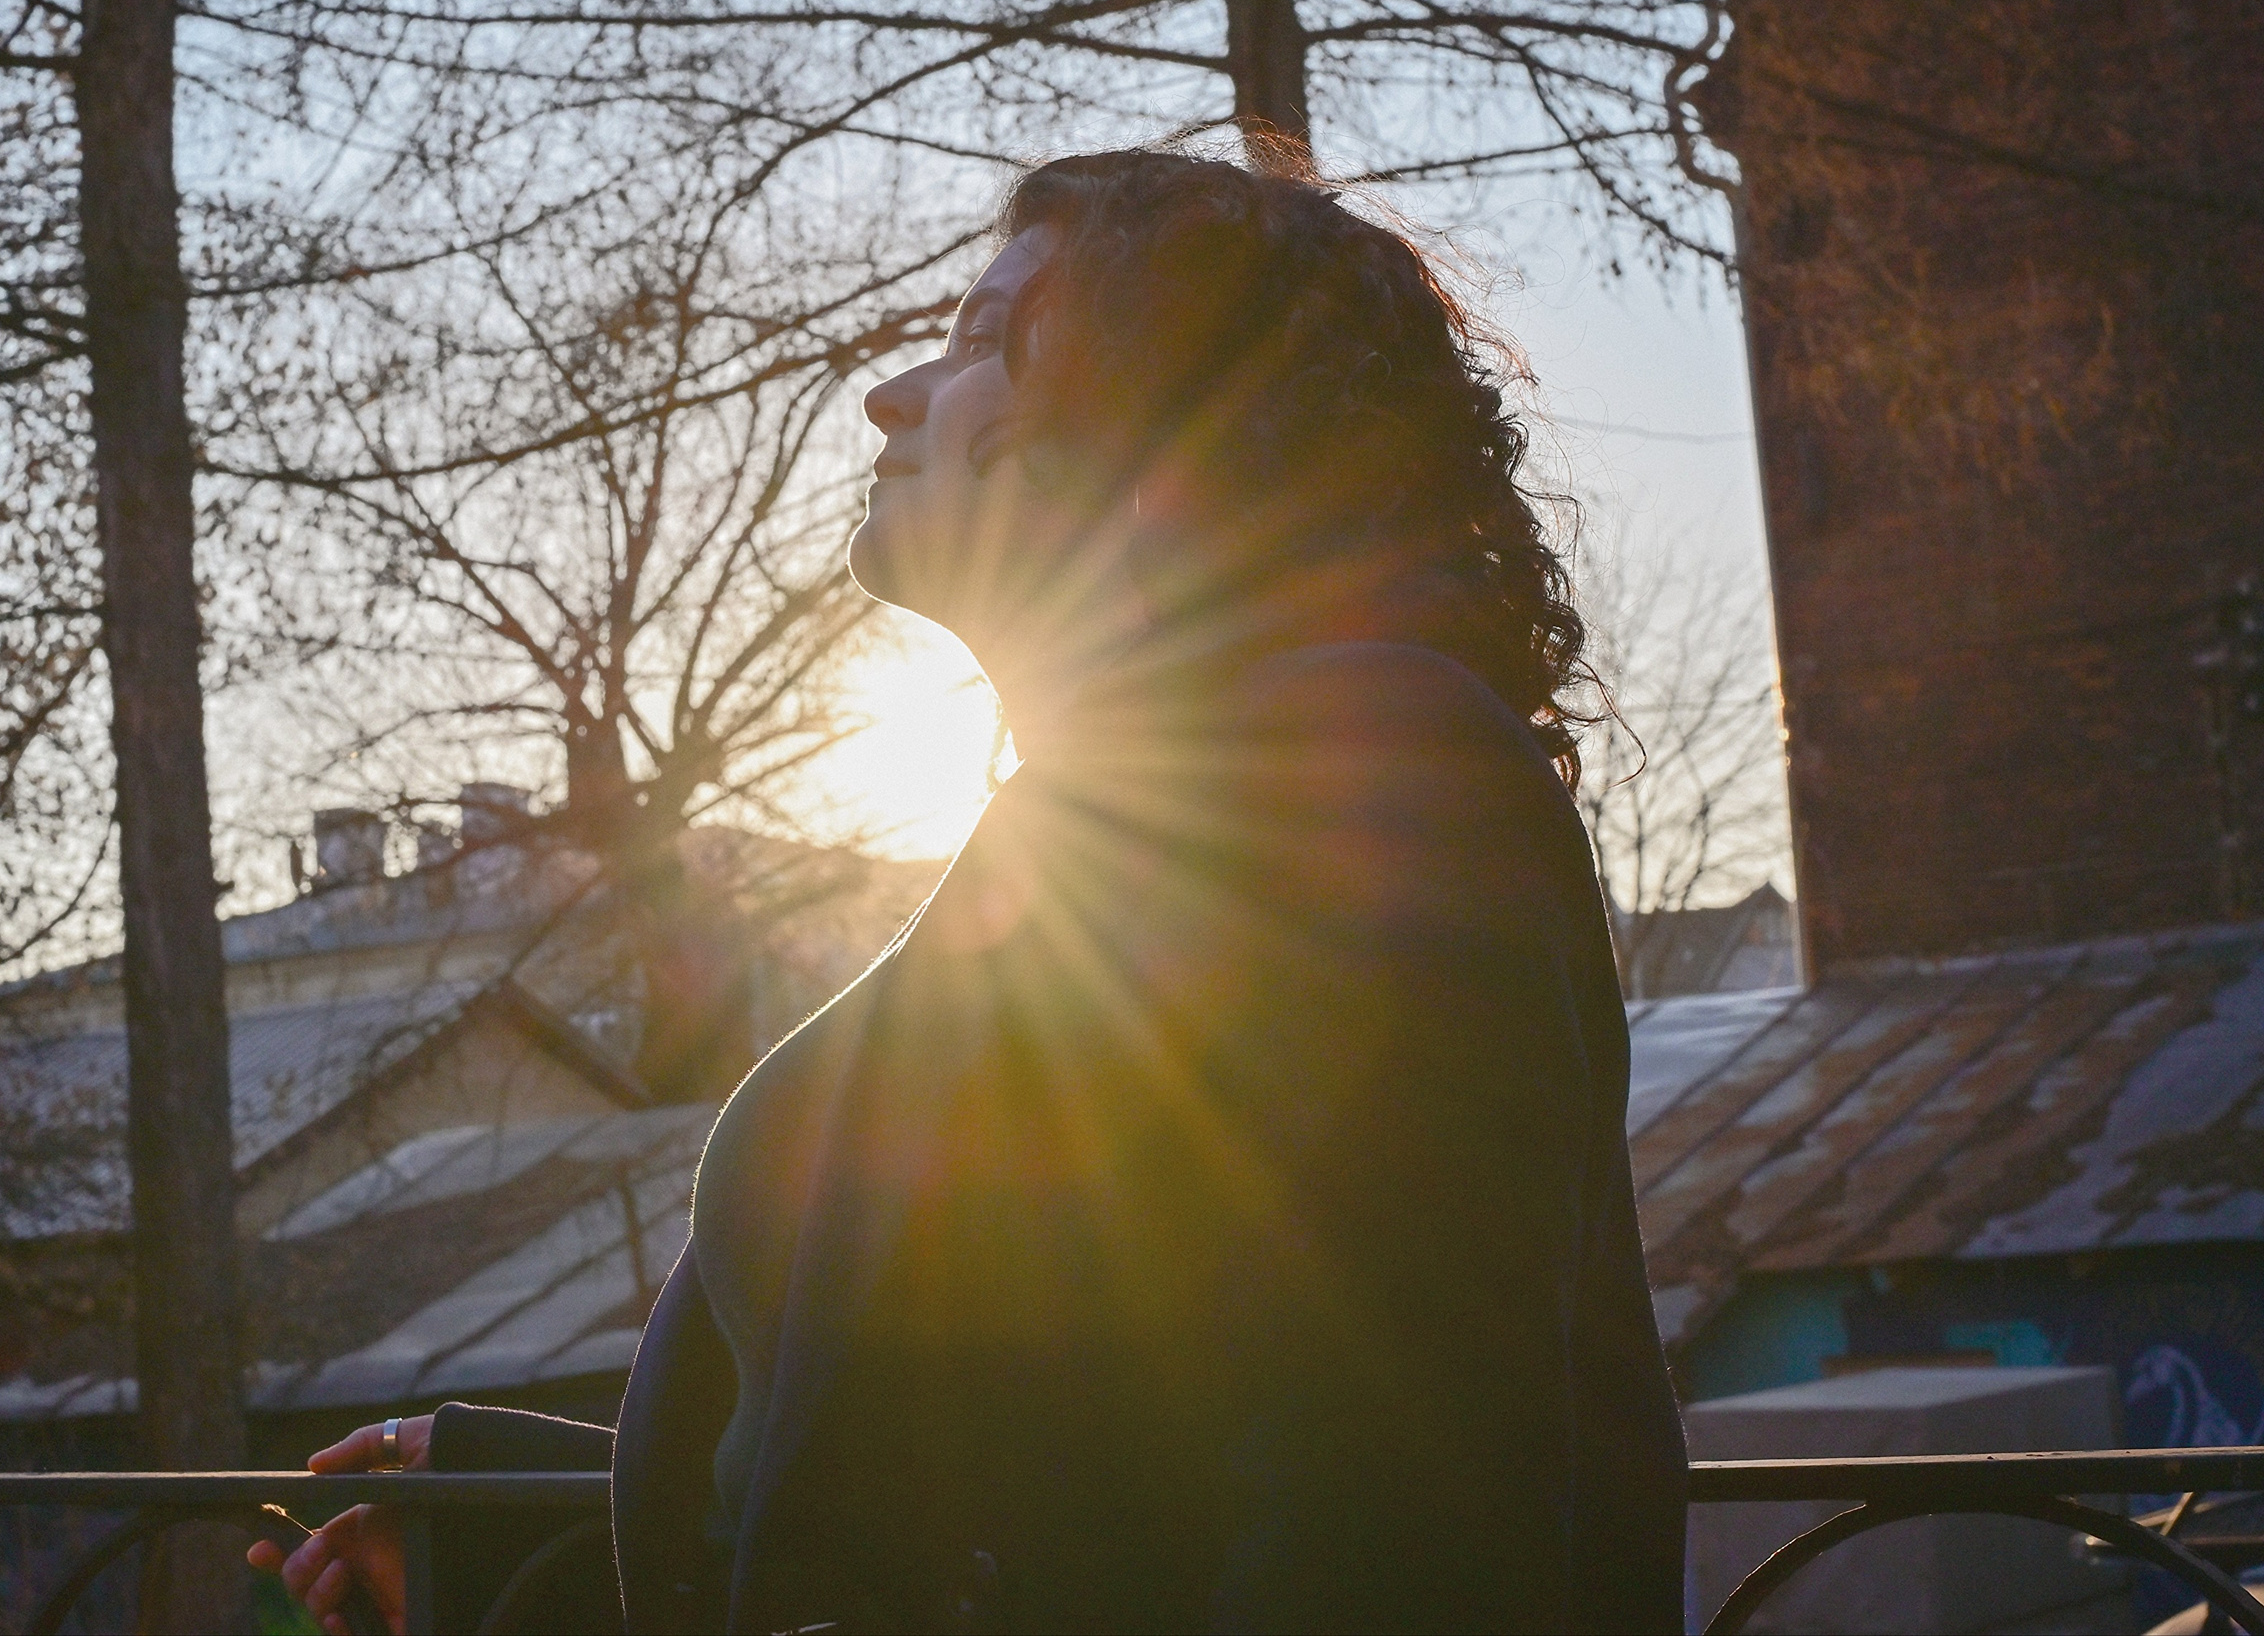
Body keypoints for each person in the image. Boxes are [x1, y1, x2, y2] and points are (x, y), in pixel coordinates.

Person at [256, 147, 1688, 1635]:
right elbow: (1041, 1465)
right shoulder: (1107, 834)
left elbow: (1387, 1492)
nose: (893, 396)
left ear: (1172, 427)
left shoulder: (1363, 770)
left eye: (990, 340)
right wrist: (512, 1533)